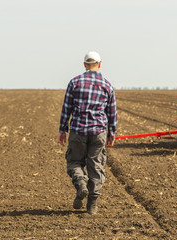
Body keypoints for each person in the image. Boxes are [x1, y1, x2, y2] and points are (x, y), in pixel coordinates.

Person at [57, 51, 117, 215]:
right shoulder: (107, 85)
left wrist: (62, 130)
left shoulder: (75, 82)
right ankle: (92, 204)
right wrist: (112, 133)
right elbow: (112, 113)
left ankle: (81, 184)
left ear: (84, 65)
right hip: (98, 132)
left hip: (78, 131)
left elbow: (66, 109)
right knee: (96, 167)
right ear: (100, 64)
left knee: (74, 162)